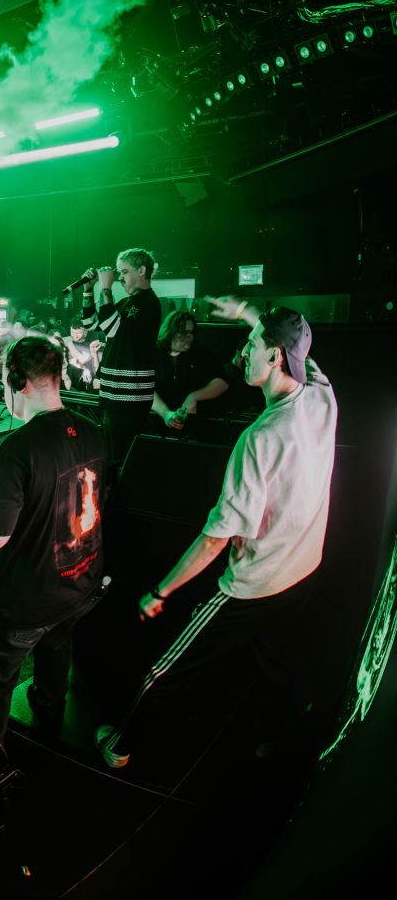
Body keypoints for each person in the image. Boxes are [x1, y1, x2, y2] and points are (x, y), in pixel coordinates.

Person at [95, 299, 337, 771]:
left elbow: (215, 538)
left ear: (275, 358)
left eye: (251, 345)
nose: (242, 353)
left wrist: (160, 591)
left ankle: (120, 745)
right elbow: (300, 353)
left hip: (253, 584)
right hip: (304, 570)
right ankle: (269, 741)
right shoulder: (323, 397)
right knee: (278, 664)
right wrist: (247, 312)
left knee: (171, 666)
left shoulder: (260, 438)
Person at [0, 335, 107, 743]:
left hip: (31, 600)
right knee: (57, 647)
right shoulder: (93, 430)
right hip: (80, 585)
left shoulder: (14, 450)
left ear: (17, 381)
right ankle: (50, 719)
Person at [81, 248, 162, 481]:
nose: (121, 277)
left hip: (129, 395)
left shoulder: (149, 302)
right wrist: (88, 290)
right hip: (114, 393)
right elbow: (90, 324)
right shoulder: (127, 302)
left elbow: (111, 328)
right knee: (111, 454)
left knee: (120, 459)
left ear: (142, 270)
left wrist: (105, 288)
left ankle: (121, 496)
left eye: (124, 272)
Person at [150, 309, 231, 431]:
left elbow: (222, 383)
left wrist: (194, 396)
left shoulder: (198, 351)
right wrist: (165, 413)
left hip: (195, 423)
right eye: (184, 332)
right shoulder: (155, 352)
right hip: (156, 422)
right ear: (170, 332)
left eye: (192, 332)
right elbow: (144, 388)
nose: (190, 337)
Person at [62, 317, 101, 394]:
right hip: (68, 383)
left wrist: (70, 344)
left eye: (78, 333)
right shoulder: (66, 341)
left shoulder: (89, 346)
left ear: (84, 331)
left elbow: (81, 359)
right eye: (72, 332)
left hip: (83, 384)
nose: (75, 336)